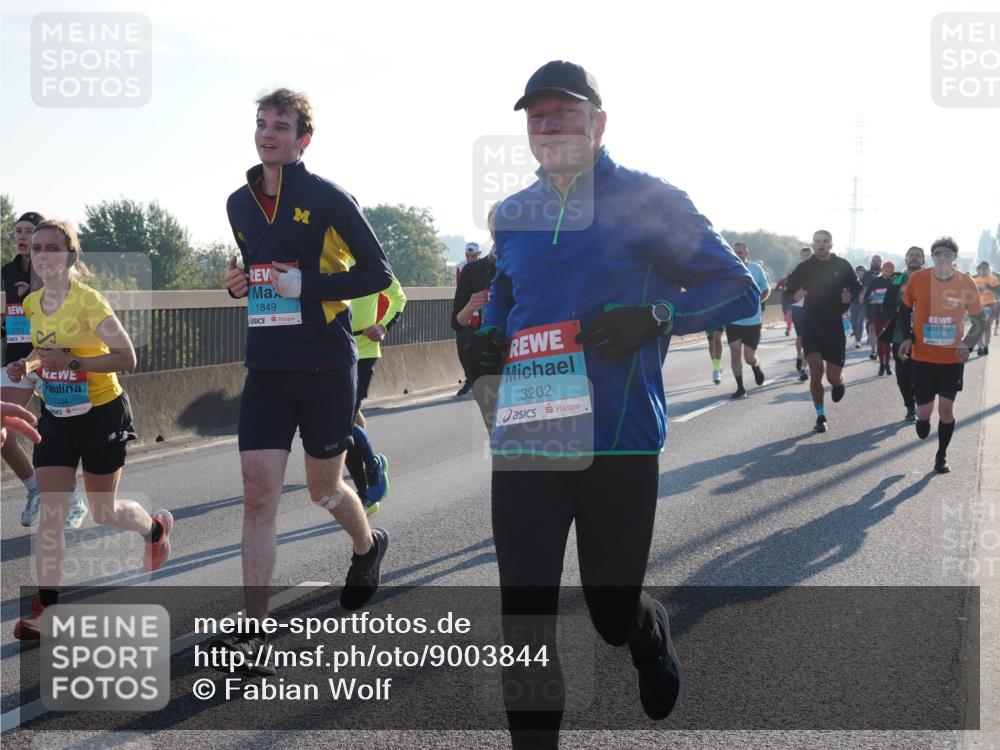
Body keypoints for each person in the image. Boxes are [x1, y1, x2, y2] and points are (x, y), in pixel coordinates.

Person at [465, 60, 758, 749]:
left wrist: (654, 316)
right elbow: (509, 294)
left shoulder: (650, 200)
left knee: (609, 608)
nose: (548, 125)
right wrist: (488, 337)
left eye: (563, 112)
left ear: (598, 123)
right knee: (524, 617)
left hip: (619, 437)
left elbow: (738, 290)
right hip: (530, 433)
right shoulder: (512, 215)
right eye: (536, 116)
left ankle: (646, 631)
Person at [215, 88, 392, 671]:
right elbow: (256, 270)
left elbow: (376, 274)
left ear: (303, 140)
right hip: (266, 365)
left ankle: (367, 547)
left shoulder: (328, 198)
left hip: (324, 366)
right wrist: (241, 283)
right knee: (258, 496)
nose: (268, 134)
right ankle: (255, 633)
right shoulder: (239, 203)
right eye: (262, 123)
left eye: (282, 126)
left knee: (324, 491)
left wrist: (307, 287)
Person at [7, 220, 173, 639]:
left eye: (52, 248)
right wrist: (25, 365)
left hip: (102, 413)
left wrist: (75, 364)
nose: (42, 254)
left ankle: (154, 530)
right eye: (38, 247)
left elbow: (127, 357)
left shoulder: (89, 302)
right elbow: (43, 353)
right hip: (57, 419)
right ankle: (46, 610)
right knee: (51, 511)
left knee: (103, 510)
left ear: (70, 257)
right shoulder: (33, 304)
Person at [2, 211, 88, 530]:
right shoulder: (8, 271)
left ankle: (72, 499)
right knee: (4, 428)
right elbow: (16, 313)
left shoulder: (53, 271)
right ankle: (34, 487)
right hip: (20, 360)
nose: (22, 238)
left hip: (56, 358)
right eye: (18, 232)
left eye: (29, 232)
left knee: (58, 433)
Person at [898, 237, 985, 473]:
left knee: (946, 409)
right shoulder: (918, 279)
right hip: (922, 358)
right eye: (938, 254)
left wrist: (968, 345)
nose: (943, 258)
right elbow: (904, 310)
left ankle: (941, 455)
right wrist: (906, 336)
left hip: (951, 359)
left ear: (954, 257)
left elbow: (979, 321)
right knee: (924, 411)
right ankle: (923, 419)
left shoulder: (966, 283)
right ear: (933, 257)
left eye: (948, 254)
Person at [785, 230, 862, 433]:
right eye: (817, 242)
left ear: (831, 244)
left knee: (832, 377)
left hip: (835, 326)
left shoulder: (842, 265)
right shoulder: (805, 267)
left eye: (825, 241)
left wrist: (850, 296)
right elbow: (787, 291)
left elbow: (857, 286)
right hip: (812, 325)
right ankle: (820, 416)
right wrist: (795, 294)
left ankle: (839, 383)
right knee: (816, 369)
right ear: (813, 244)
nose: (821, 245)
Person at [345, 277, 406, 514]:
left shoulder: (366, 259)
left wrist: (383, 326)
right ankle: (368, 460)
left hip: (364, 350)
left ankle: (368, 482)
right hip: (332, 349)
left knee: (344, 422)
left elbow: (399, 297)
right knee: (349, 418)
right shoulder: (326, 257)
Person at [453, 206, 500, 396]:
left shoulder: (535, 263)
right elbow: (456, 321)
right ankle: (470, 379)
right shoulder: (469, 270)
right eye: (497, 225)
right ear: (490, 230)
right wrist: (470, 306)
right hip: (487, 338)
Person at [885, 246, 925, 421]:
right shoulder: (897, 280)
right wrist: (898, 312)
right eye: (911, 255)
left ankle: (919, 398)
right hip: (900, 335)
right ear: (906, 258)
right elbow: (885, 305)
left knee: (921, 372)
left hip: (925, 334)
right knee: (902, 374)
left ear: (923, 260)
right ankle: (910, 405)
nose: (914, 258)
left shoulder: (930, 279)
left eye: (918, 256)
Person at [726, 242, 770, 398]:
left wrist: (759, 301)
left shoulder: (756, 269)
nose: (739, 254)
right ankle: (740, 388)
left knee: (749, 357)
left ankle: (756, 366)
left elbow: (766, 289)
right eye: (736, 252)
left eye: (741, 252)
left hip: (753, 320)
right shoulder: (727, 269)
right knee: (735, 352)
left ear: (747, 253)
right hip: (733, 320)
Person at [864, 261, 896, 375]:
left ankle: (887, 365)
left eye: (890, 271)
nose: (888, 273)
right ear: (882, 270)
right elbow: (866, 296)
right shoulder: (875, 281)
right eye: (886, 270)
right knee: (880, 340)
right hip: (877, 313)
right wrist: (872, 299)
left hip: (890, 315)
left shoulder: (894, 281)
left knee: (887, 341)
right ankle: (882, 365)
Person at [787, 246, 813, 381]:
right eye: (804, 255)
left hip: (813, 309)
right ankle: (799, 355)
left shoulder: (818, 271)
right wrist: (788, 309)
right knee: (800, 338)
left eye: (809, 255)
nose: (806, 257)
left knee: (808, 338)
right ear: (800, 257)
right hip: (798, 308)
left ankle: (804, 367)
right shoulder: (795, 273)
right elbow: (788, 292)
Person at [861, 254, 883, 360]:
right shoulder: (867, 274)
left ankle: (882, 347)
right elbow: (862, 287)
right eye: (874, 260)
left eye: (878, 260)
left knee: (883, 328)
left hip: (884, 304)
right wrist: (862, 295)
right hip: (870, 304)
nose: (876, 262)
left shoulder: (886, 273)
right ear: (871, 261)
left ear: (881, 262)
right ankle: (873, 350)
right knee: (871, 327)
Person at [974, 261, 998, 355]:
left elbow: (998, 293)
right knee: (979, 327)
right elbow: (972, 294)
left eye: (985, 268)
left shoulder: (993, 279)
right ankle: (980, 347)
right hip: (979, 306)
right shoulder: (976, 280)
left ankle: (986, 346)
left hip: (990, 305)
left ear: (988, 269)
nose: (984, 270)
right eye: (982, 268)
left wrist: (990, 289)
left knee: (987, 327)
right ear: (979, 269)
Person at [849, 264, 867, 349]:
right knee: (853, 323)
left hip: (863, 305)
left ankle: (858, 340)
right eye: (859, 271)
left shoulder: (867, 281)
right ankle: (856, 337)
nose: (861, 273)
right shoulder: (853, 282)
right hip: (853, 304)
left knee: (860, 322)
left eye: (863, 271)